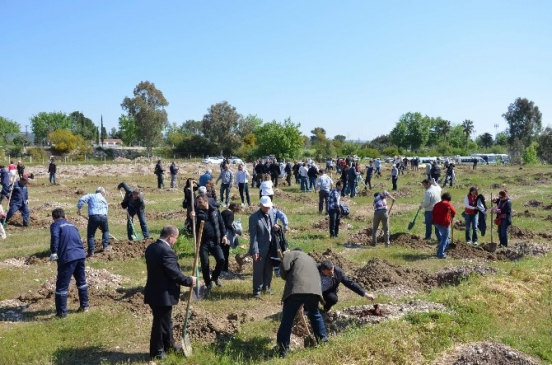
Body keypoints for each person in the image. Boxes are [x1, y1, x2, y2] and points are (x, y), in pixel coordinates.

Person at [144, 225, 196, 360]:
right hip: (163, 293)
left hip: (154, 290)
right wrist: (189, 280)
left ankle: (169, 345)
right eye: (176, 238)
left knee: (166, 321)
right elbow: (174, 274)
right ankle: (157, 352)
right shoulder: (166, 251)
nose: (176, 242)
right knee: (160, 323)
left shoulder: (151, 248)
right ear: (170, 236)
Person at [275, 249, 328, 357]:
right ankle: (323, 340)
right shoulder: (310, 258)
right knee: (314, 313)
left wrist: (284, 263)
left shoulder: (290, 254)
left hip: (296, 289)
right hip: (314, 290)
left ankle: (283, 348)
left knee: (287, 318)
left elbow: (284, 270)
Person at [49, 208, 89, 318]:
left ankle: (61, 313)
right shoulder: (72, 225)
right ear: (64, 215)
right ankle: (84, 306)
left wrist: (54, 252)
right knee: (81, 282)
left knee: (62, 286)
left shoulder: (56, 225)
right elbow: (79, 239)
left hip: (67, 257)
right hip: (80, 255)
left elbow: (55, 237)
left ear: (54, 217)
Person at [249, 196, 289, 298]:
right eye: (265, 207)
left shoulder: (271, 213)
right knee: (258, 270)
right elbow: (253, 237)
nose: (267, 209)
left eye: (269, 207)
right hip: (260, 248)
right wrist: (255, 251)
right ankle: (256, 291)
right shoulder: (254, 218)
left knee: (268, 269)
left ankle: (266, 287)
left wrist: (276, 227)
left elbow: (270, 227)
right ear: (261, 205)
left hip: (271, 247)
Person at [192, 194, 228, 292]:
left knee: (221, 260)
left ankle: (215, 277)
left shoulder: (215, 211)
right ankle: (208, 283)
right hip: (203, 243)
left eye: (200, 202)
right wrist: (192, 219)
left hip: (215, 241)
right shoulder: (198, 213)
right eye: (197, 202)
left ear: (206, 201)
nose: (198, 204)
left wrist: (224, 235)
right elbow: (191, 227)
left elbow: (221, 223)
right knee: (205, 264)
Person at [77, 187, 111, 256]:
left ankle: (91, 251)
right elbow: (106, 209)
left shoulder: (91, 195)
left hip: (93, 217)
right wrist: (102, 223)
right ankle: (105, 247)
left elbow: (82, 199)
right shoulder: (104, 199)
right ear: (102, 193)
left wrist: (79, 209)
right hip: (103, 217)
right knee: (105, 231)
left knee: (91, 235)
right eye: (104, 193)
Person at [432, 192, 456, 259]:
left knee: (444, 237)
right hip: (444, 223)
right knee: (444, 238)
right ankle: (440, 253)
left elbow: (433, 212)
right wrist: (452, 216)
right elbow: (454, 211)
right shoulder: (447, 204)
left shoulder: (437, 204)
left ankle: (446, 246)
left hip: (437, 223)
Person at [221, 203, 240, 272]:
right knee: (226, 252)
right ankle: (225, 268)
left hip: (220, 233)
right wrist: (234, 231)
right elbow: (228, 224)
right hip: (226, 235)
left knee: (222, 251)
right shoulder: (230, 214)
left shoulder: (223, 212)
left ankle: (221, 266)